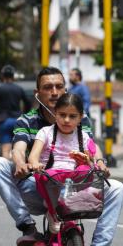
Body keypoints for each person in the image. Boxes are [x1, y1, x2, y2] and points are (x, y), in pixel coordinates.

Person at [0, 67, 123, 246]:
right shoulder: (30, 122)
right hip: (40, 186)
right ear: (38, 93)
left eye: (59, 86)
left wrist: (99, 162)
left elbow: (92, 147)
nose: (54, 92)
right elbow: (19, 148)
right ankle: (27, 227)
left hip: (74, 188)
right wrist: (22, 163)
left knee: (117, 188)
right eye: (48, 87)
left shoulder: (82, 121)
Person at [27, 93, 97, 234]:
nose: (66, 120)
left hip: (73, 179)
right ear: (55, 114)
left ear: (81, 117)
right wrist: (35, 164)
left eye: (72, 116)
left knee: (87, 170)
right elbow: (33, 156)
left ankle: (72, 209)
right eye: (62, 115)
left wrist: (86, 161)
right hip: (52, 177)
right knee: (51, 175)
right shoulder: (45, 132)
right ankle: (53, 214)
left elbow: (92, 161)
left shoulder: (83, 136)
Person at [0, 65, 31, 159]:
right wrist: (24, 114)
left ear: (2, 76)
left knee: (5, 151)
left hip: (4, 121)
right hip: (18, 121)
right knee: (19, 150)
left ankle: (5, 171)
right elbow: (28, 102)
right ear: (13, 76)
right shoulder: (19, 89)